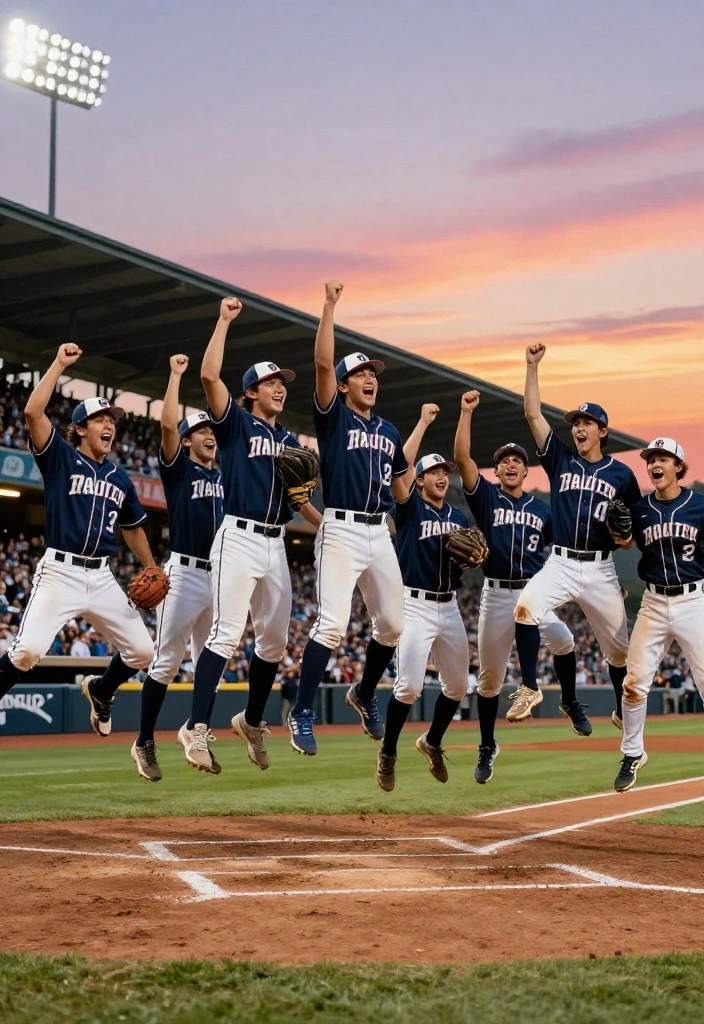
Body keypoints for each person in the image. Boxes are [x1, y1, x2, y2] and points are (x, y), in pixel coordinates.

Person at [177, 299, 321, 773]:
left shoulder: (292, 443)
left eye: (282, 384)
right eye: (270, 383)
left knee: (275, 643)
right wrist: (222, 321)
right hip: (237, 536)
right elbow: (208, 377)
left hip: (275, 542)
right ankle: (196, 729)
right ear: (251, 392)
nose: (280, 388)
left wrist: (328, 527)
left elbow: (299, 499)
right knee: (225, 634)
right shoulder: (236, 425)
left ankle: (252, 721)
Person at [0, 344, 156, 733]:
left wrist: (151, 566)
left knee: (142, 651)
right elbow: (33, 412)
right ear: (81, 429)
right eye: (100, 419)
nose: (110, 425)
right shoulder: (60, 458)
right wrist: (57, 365)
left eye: (113, 420)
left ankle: (101, 691)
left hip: (102, 577)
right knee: (28, 651)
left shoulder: (121, 477)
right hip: (60, 572)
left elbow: (133, 527)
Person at [287, 281, 415, 755]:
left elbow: (402, 488)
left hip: (379, 529)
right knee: (332, 625)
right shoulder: (334, 417)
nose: (370, 378)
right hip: (339, 528)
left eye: (373, 373)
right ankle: (302, 712)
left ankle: (363, 692)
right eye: (360, 372)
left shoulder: (389, 429)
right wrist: (328, 305)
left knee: (394, 627)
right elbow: (322, 362)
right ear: (343, 385)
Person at [514, 344, 641, 735]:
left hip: (601, 569)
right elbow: (533, 413)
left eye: (587, 422)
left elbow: (630, 535)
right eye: (576, 422)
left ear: (603, 431)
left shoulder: (622, 475)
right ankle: (530, 688)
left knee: (619, 651)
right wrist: (532, 367)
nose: (579, 427)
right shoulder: (561, 459)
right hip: (562, 562)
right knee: (525, 608)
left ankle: (621, 708)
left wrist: (623, 539)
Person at [453, 390, 575, 783]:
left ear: (527, 472)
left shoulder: (543, 509)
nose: (510, 464)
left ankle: (568, 700)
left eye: (518, 461)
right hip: (496, 593)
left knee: (565, 639)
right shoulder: (487, 498)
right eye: (504, 460)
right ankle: (487, 745)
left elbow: (565, 551)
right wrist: (465, 413)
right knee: (489, 680)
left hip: (534, 592)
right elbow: (462, 460)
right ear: (499, 471)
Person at [131, 354, 224, 782]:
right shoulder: (179, 470)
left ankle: (193, 730)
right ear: (187, 441)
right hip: (184, 574)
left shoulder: (226, 479)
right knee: (166, 662)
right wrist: (174, 375)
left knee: (213, 664)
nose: (209, 435)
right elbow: (168, 425)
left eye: (211, 429)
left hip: (218, 577)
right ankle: (144, 740)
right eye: (201, 430)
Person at [375, 405, 471, 790]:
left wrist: (470, 561)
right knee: (409, 687)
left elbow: (464, 562)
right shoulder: (409, 508)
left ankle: (431, 741)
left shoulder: (460, 518)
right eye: (433, 472)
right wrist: (424, 422)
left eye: (444, 472)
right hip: (413, 604)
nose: (441, 477)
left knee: (459, 687)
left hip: (449, 604)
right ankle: (388, 753)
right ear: (418, 480)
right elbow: (402, 465)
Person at [612, 437, 704, 791]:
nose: (655, 464)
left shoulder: (699, 506)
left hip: (693, 600)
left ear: (679, 467)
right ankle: (633, 753)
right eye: (651, 459)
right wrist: (619, 534)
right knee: (634, 684)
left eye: (663, 458)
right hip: (653, 602)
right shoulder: (640, 508)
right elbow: (624, 543)